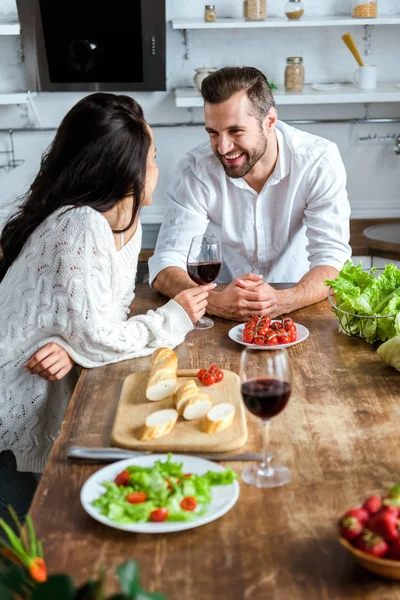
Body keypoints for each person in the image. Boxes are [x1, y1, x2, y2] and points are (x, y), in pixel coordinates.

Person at [0, 93, 213, 525]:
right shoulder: (78, 226)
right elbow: (99, 336)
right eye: (151, 158)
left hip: (49, 383)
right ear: (127, 171)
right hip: (11, 401)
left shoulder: (123, 221)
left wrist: (71, 343)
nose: (156, 167)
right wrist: (173, 316)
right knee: (26, 550)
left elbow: (103, 315)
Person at [148, 66, 352, 321]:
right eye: (213, 133)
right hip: (219, 309)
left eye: (236, 131)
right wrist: (215, 302)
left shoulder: (317, 160)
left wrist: (283, 300)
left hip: (299, 304)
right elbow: (165, 263)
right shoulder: (196, 169)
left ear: (270, 121)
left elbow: (333, 259)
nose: (223, 147)